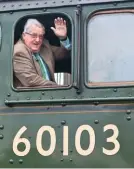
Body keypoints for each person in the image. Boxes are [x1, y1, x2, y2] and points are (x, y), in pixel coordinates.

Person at [13, 17, 71, 88]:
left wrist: (63, 38)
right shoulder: (19, 51)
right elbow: (31, 80)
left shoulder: (44, 45)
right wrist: (59, 87)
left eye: (41, 36)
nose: (38, 40)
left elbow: (64, 54)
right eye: (34, 35)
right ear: (24, 35)